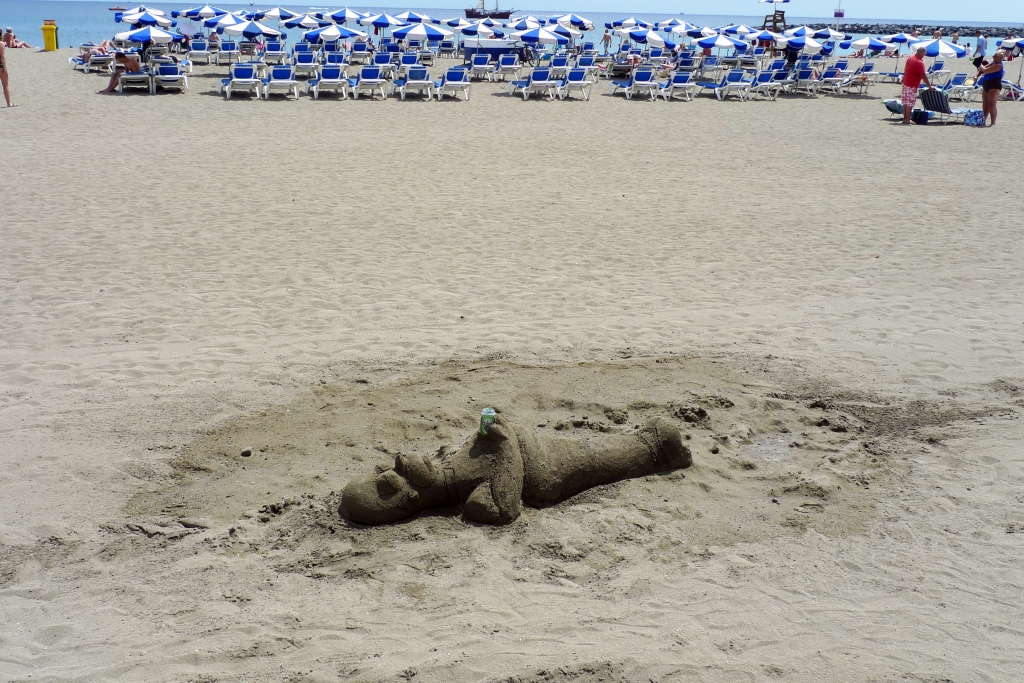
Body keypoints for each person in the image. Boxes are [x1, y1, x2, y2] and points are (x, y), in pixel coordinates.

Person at [901, 46, 932, 124]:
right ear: (921, 52)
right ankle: (907, 119)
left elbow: (906, 69)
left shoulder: (910, 58)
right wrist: (929, 86)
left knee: (905, 101)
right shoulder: (919, 62)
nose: (925, 55)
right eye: (924, 53)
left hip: (906, 81)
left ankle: (905, 118)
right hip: (912, 83)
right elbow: (923, 75)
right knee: (910, 102)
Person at [976, 50, 1004, 126]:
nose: (993, 57)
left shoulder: (998, 65)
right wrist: (977, 75)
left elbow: (985, 70)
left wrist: (980, 64)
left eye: (995, 56)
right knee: (985, 104)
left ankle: (993, 122)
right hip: (986, 84)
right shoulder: (993, 63)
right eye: (993, 56)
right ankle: (983, 120)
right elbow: (982, 69)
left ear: (999, 58)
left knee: (991, 104)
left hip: (994, 85)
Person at [0, 39, 12, 107]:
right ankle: (8, 103)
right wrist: (5, 68)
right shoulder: (1, 43)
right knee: (5, 85)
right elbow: (3, 57)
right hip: (0, 66)